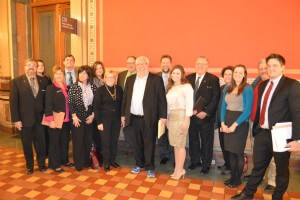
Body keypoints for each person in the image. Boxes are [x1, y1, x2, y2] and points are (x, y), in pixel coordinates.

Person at [231, 53, 300, 200]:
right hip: (262, 132)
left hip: (282, 135)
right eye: (269, 66)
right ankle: (248, 193)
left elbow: (297, 113)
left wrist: (297, 139)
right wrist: (257, 128)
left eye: (275, 65)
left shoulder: (292, 85)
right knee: (258, 167)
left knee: (281, 170)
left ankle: (277, 196)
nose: (271, 68)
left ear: (283, 67)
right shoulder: (263, 85)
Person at [121, 56, 167, 178]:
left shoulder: (156, 80)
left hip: (149, 118)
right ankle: (139, 164)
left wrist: (163, 116)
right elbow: (125, 99)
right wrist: (123, 115)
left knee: (149, 143)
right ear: (136, 66)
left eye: (143, 64)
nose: (141, 66)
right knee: (136, 143)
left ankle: (150, 167)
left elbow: (162, 100)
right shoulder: (130, 79)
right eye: (139, 64)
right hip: (133, 118)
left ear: (148, 65)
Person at [9, 58, 48, 174]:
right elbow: (13, 102)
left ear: (37, 68)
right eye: (29, 65)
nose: (31, 67)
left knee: (41, 143)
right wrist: (16, 120)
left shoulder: (43, 81)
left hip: (40, 119)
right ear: (24, 67)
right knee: (27, 144)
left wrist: (47, 115)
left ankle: (41, 164)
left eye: (34, 65)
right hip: (24, 120)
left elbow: (46, 100)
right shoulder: (16, 82)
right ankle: (29, 166)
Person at [244, 59, 276, 194]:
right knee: (257, 151)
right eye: (261, 69)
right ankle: (259, 175)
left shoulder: (275, 84)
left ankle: (272, 181)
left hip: (271, 126)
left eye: (265, 68)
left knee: (273, 154)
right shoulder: (257, 83)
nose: (263, 71)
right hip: (255, 123)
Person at [220, 65, 253, 188]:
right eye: (236, 72)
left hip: (239, 123)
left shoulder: (247, 88)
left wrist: (234, 125)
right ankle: (233, 177)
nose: (237, 74)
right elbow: (223, 106)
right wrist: (222, 123)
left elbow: (247, 110)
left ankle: (237, 179)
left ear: (244, 74)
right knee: (230, 152)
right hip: (227, 120)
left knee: (238, 153)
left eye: (240, 72)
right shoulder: (228, 87)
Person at [186, 56, 220, 174]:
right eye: (198, 63)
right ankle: (195, 161)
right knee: (193, 140)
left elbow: (215, 98)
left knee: (206, 141)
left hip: (205, 117)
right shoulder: (188, 78)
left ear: (207, 66)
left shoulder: (213, 79)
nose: (200, 66)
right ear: (194, 65)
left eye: (203, 64)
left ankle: (206, 164)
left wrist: (206, 112)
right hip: (191, 116)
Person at [166, 65, 193, 180]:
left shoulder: (186, 87)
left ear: (182, 75)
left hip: (182, 116)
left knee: (180, 145)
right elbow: (168, 105)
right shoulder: (170, 87)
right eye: (173, 73)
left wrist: (187, 120)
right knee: (175, 145)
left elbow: (189, 104)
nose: (175, 75)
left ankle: (181, 169)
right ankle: (177, 169)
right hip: (171, 117)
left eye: (178, 73)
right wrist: (167, 118)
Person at [68, 65, 97, 171]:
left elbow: (96, 103)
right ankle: (78, 164)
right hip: (77, 118)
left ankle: (86, 162)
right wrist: (74, 117)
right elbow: (70, 103)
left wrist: (93, 115)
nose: (81, 75)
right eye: (80, 73)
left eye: (84, 73)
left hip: (89, 117)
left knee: (87, 141)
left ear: (89, 75)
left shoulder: (93, 87)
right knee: (78, 141)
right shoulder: (74, 87)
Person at [94, 71, 123, 172]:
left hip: (116, 119)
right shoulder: (100, 90)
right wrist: (99, 122)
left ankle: (112, 161)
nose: (111, 79)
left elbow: (122, 105)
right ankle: (106, 163)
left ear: (115, 79)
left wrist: (122, 117)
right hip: (104, 119)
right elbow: (96, 107)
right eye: (108, 77)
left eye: (113, 77)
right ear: (105, 79)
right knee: (106, 142)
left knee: (114, 141)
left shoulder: (119, 89)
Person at [44, 66, 69, 173]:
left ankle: (63, 161)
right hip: (55, 120)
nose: (59, 76)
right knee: (55, 143)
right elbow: (48, 105)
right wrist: (50, 121)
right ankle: (55, 165)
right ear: (53, 75)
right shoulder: (51, 88)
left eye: (61, 73)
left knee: (64, 142)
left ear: (64, 75)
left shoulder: (66, 86)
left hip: (66, 120)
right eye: (57, 73)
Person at [117, 56, 137, 157]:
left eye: (133, 62)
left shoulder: (140, 74)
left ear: (136, 64)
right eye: (128, 63)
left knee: (136, 128)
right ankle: (129, 148)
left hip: (136, 106)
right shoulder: (121, 75)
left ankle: (137, 148)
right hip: (124, 105)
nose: (131, 65)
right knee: (126, 127)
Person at [216, 66, 233, 175]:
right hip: (220, 121)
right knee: (223, 144)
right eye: (225, 74)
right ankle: (227, 164)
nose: (227, 76)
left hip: (229, 121)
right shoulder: (222, 87)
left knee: (229, 145)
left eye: (230, 74)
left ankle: (231, 167)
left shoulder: (235, 88)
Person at [157, 54, 173, 165]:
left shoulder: (176, 76)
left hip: (173, 111)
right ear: (160, 64)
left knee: (172, 135)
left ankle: (174, 157)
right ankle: (164, 156)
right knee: (161, 135)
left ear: (170, 64)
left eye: (167, 62)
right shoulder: (155, 77)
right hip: (159, 111)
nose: (165, 64)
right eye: (163, 62)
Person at [61, 54, 77, 167]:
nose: (69, 62)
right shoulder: (59, 74)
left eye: (72, 60)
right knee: (64, 137)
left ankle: (78, 158)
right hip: (64, 111)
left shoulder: (79, 74)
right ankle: (64, 160)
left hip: (76, 110)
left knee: (76, 136)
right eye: (67, 60)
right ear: (63, 62)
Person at [36, 59, 52, 157]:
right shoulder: (34, 79)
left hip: (47, 110)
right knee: (40, 135)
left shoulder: (47, 78)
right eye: (38, 65)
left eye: (42, 65)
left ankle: (47, 153)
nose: (41, 67)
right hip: (38, 111)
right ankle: (41, 154)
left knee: (47, 133)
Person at [91, 61, 105, 158]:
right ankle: (98, 155)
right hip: (96, 111)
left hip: (105, 111)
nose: (99, 70)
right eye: (97, 68)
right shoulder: (92, 81)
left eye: (101, 68)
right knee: (97, 136)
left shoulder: (106, 79)